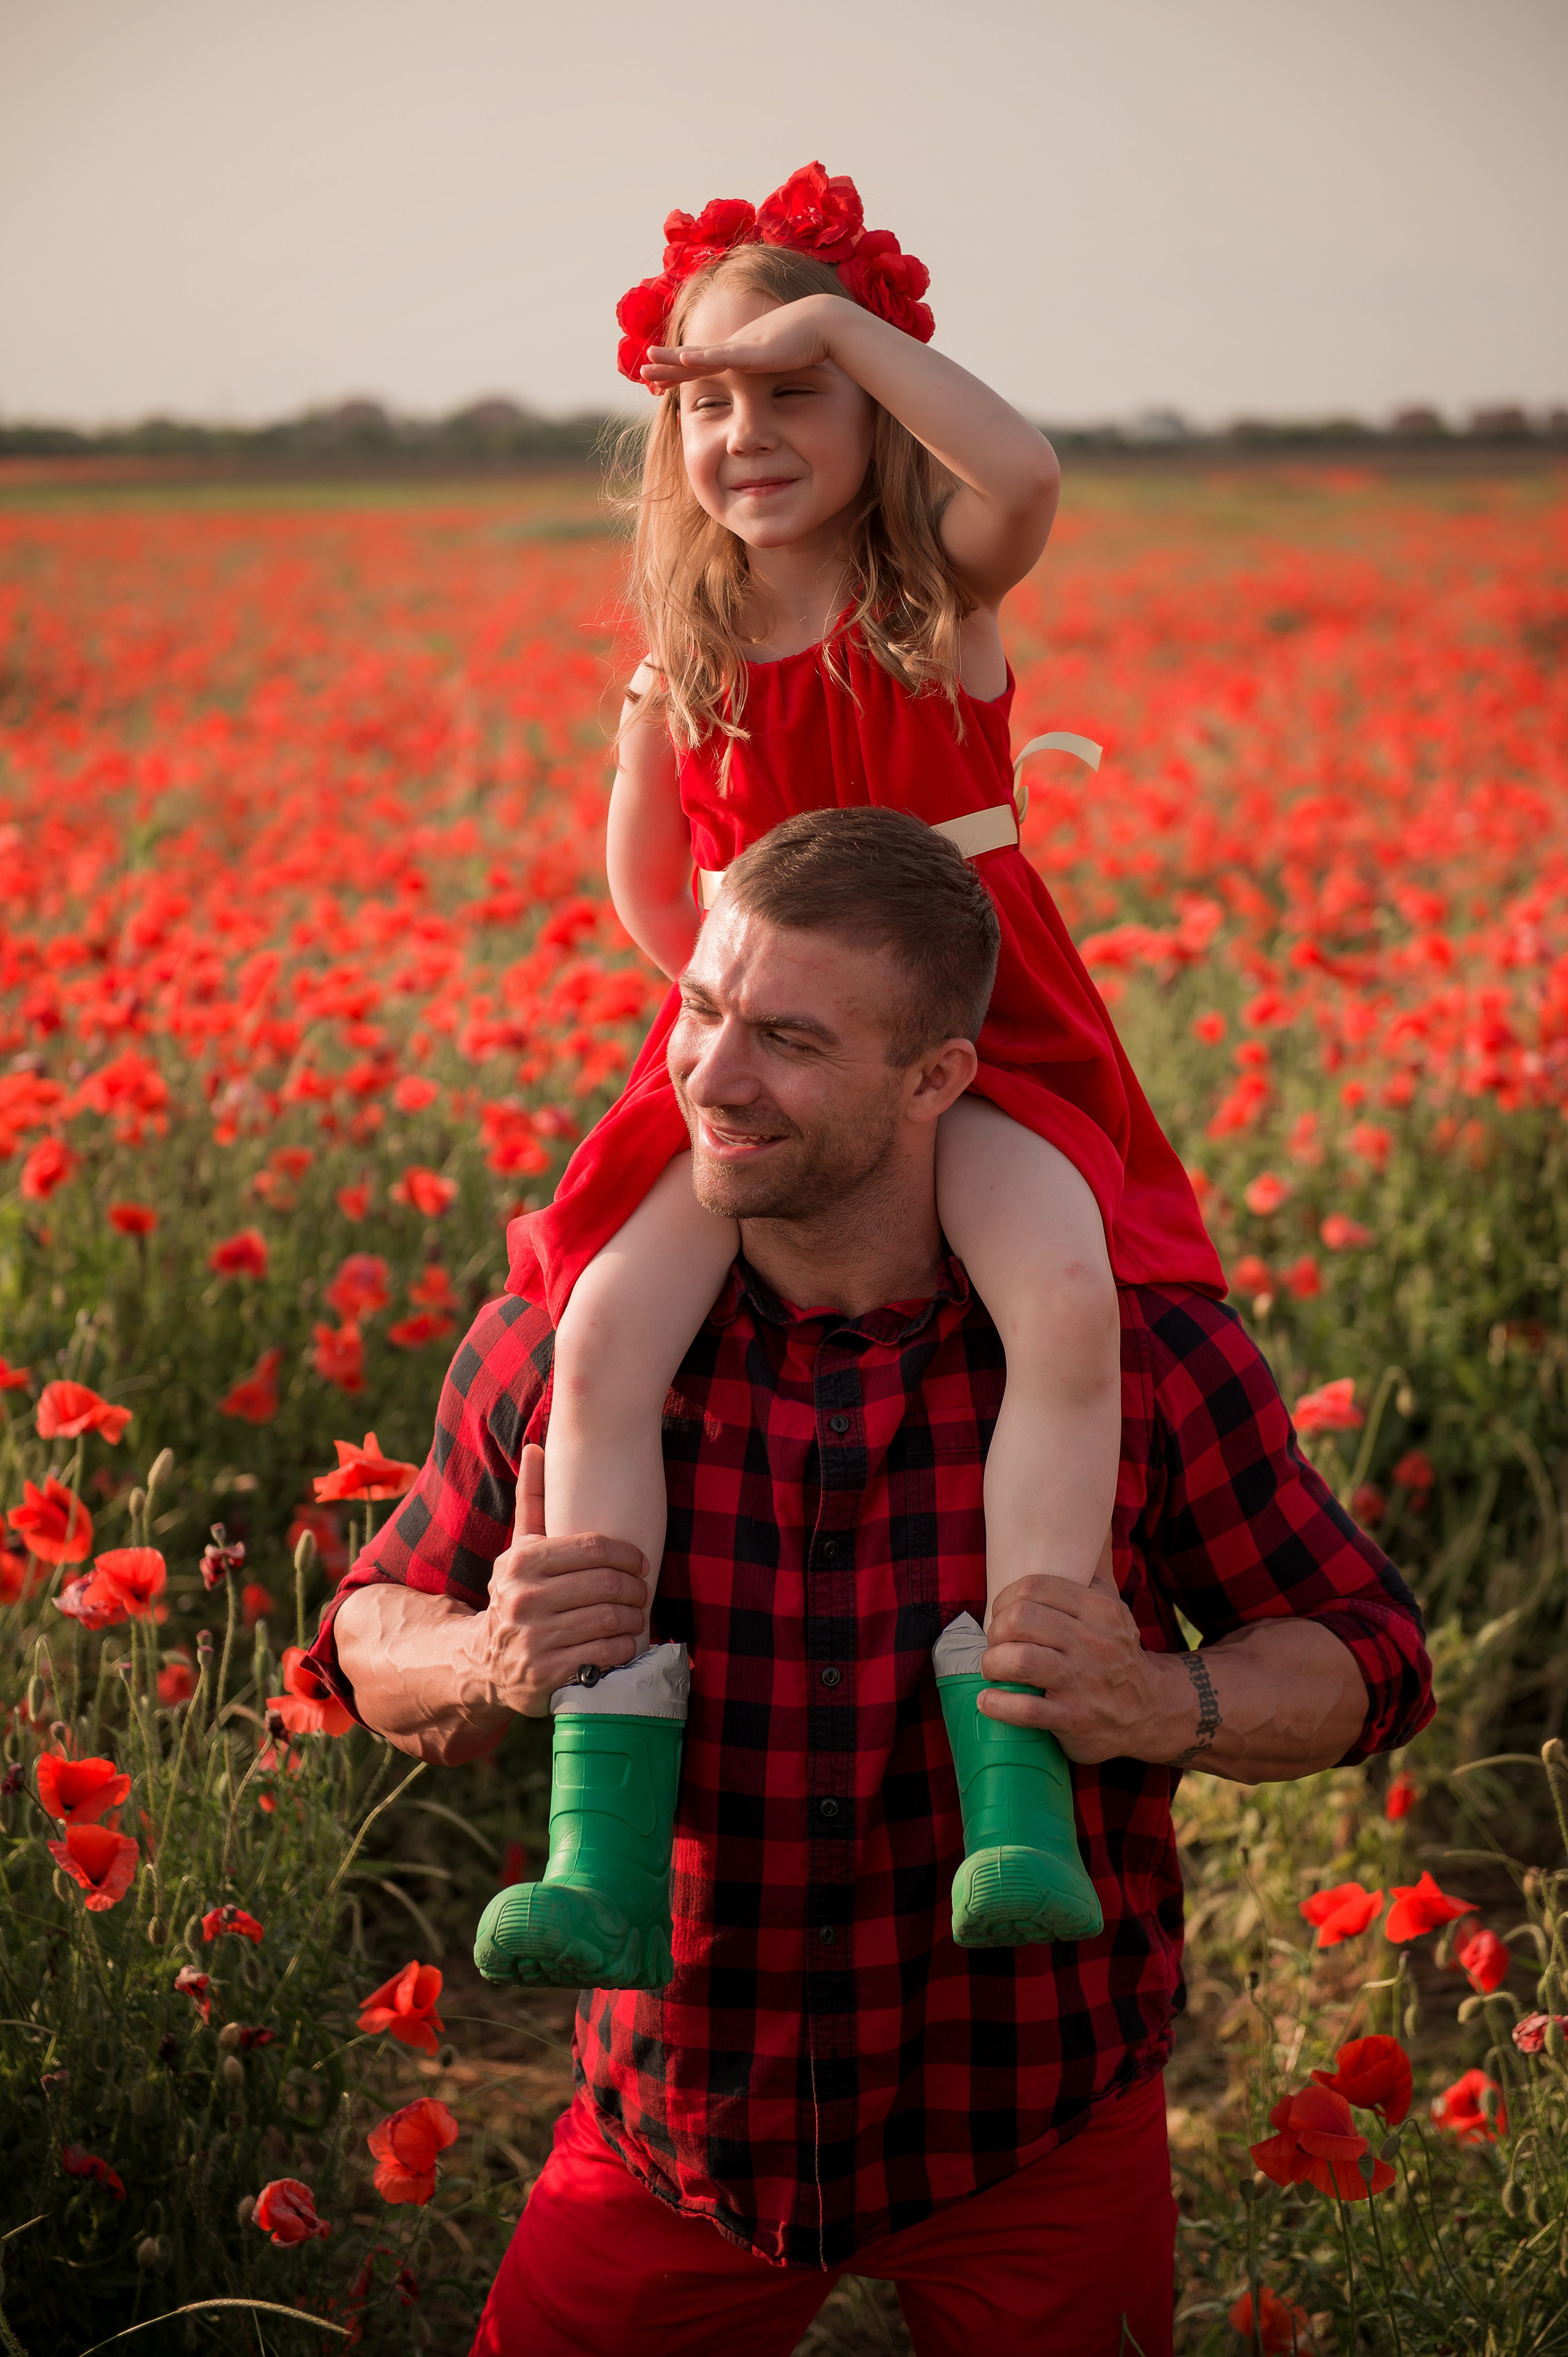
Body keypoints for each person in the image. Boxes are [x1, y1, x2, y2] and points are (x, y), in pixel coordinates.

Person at [307, 809, 1434, 2357]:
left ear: (935, 1078)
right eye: (700, 1010)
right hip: (677, 2133)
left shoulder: (1139, 1354)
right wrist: (484, 1657)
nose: (709, 1076)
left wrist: (1156, 1698)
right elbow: (366, 1636)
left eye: (786, 1039)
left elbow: (1368, 1654)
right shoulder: (562, 1347)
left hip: (1031, 2120)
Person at [501, 160, 1227, 1973]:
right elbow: (652, 890)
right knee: (599, 1335)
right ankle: (602, 1820)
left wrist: (839, 317)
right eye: (707, 401)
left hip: (985, 1041)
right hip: (774, 1052)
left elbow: (1027, 472)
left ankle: (1018, 1779)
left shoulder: (932, 593)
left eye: (794, 388)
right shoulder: (683, 658)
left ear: (874, 400)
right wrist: (747, 1028)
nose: (746, 432)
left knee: (1062, 1299)